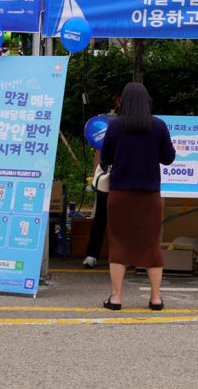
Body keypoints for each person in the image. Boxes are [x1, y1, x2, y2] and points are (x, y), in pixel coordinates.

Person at [99, 82, 176, 311]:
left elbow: (106, 158)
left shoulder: (115, 127)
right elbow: (168, 158)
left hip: (120, 194)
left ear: (123, 102)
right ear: (147, 101)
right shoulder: (159, 126)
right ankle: (155, 299)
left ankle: (116, 298)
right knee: (151, 245)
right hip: (149, 196)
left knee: (118, 245)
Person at [83, 95, 121, 269]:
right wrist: (94, 176)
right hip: (110, 177)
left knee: (115, 218)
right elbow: (99, 150)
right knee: (101, 217)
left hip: (122, 178)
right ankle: (92, 254)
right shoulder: (107, 122)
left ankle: (116, 256)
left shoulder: (129, 124)